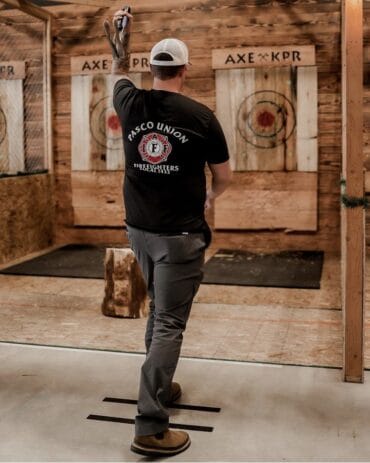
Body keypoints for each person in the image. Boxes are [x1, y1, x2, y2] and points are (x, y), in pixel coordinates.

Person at [104, 9, 232, 457]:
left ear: (153, 69)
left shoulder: (129, 103)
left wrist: (122, 41)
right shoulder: (200, 116)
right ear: (184, 69)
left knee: (161, 314)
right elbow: (225, 174)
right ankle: (150, 425)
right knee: (170, 324)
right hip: (179, 238)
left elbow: (117, 71)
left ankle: (161, 385)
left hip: (138, 232)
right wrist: (212, 196)